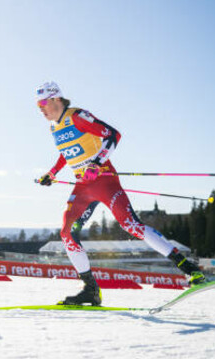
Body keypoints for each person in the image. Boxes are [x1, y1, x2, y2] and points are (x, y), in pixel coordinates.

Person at [35, 81, 205, 306]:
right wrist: (52, 173)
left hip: (104, 179)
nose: (41, 108)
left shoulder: (77, 116)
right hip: (82, 186)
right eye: (38, 105)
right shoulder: (54, 127)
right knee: (67, 232)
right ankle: (90, 290)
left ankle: (190, 269)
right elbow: (66, 152)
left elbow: (113, 135)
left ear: (57, 99)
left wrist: (96, 162)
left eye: (44, 102)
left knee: (130, 225)